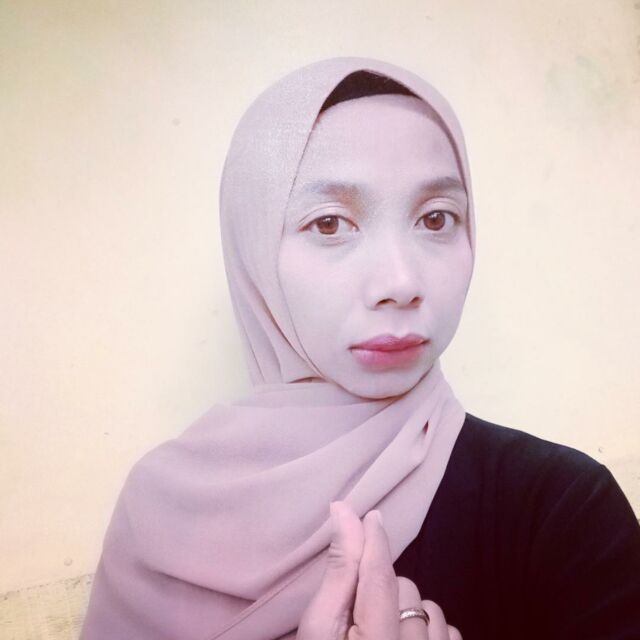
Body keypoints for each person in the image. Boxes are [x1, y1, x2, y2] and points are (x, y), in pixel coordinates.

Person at [80, 57, 640, 640]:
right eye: (329, 224)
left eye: (436, 219)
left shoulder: (563, 511)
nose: (401, 282)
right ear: (253, 251)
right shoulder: (159, 512)